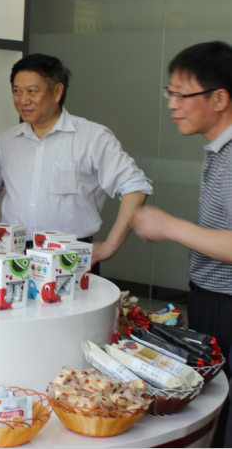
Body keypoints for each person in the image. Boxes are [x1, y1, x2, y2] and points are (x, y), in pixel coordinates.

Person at [132, 41, 232, 447]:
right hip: (211, 297)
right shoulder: (219, 148)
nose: (172, 104)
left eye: (182, 95)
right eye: (169, 93)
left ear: (220, 98)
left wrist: (170, 226)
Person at [0, 53, 153, 272]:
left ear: (57, 91)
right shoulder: (7, 140)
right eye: (17, 91)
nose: (23, 100)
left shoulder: (91, 137)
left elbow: (136, 187)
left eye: (32, 91)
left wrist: (109, 247)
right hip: (14, 256)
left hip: (70, 257)